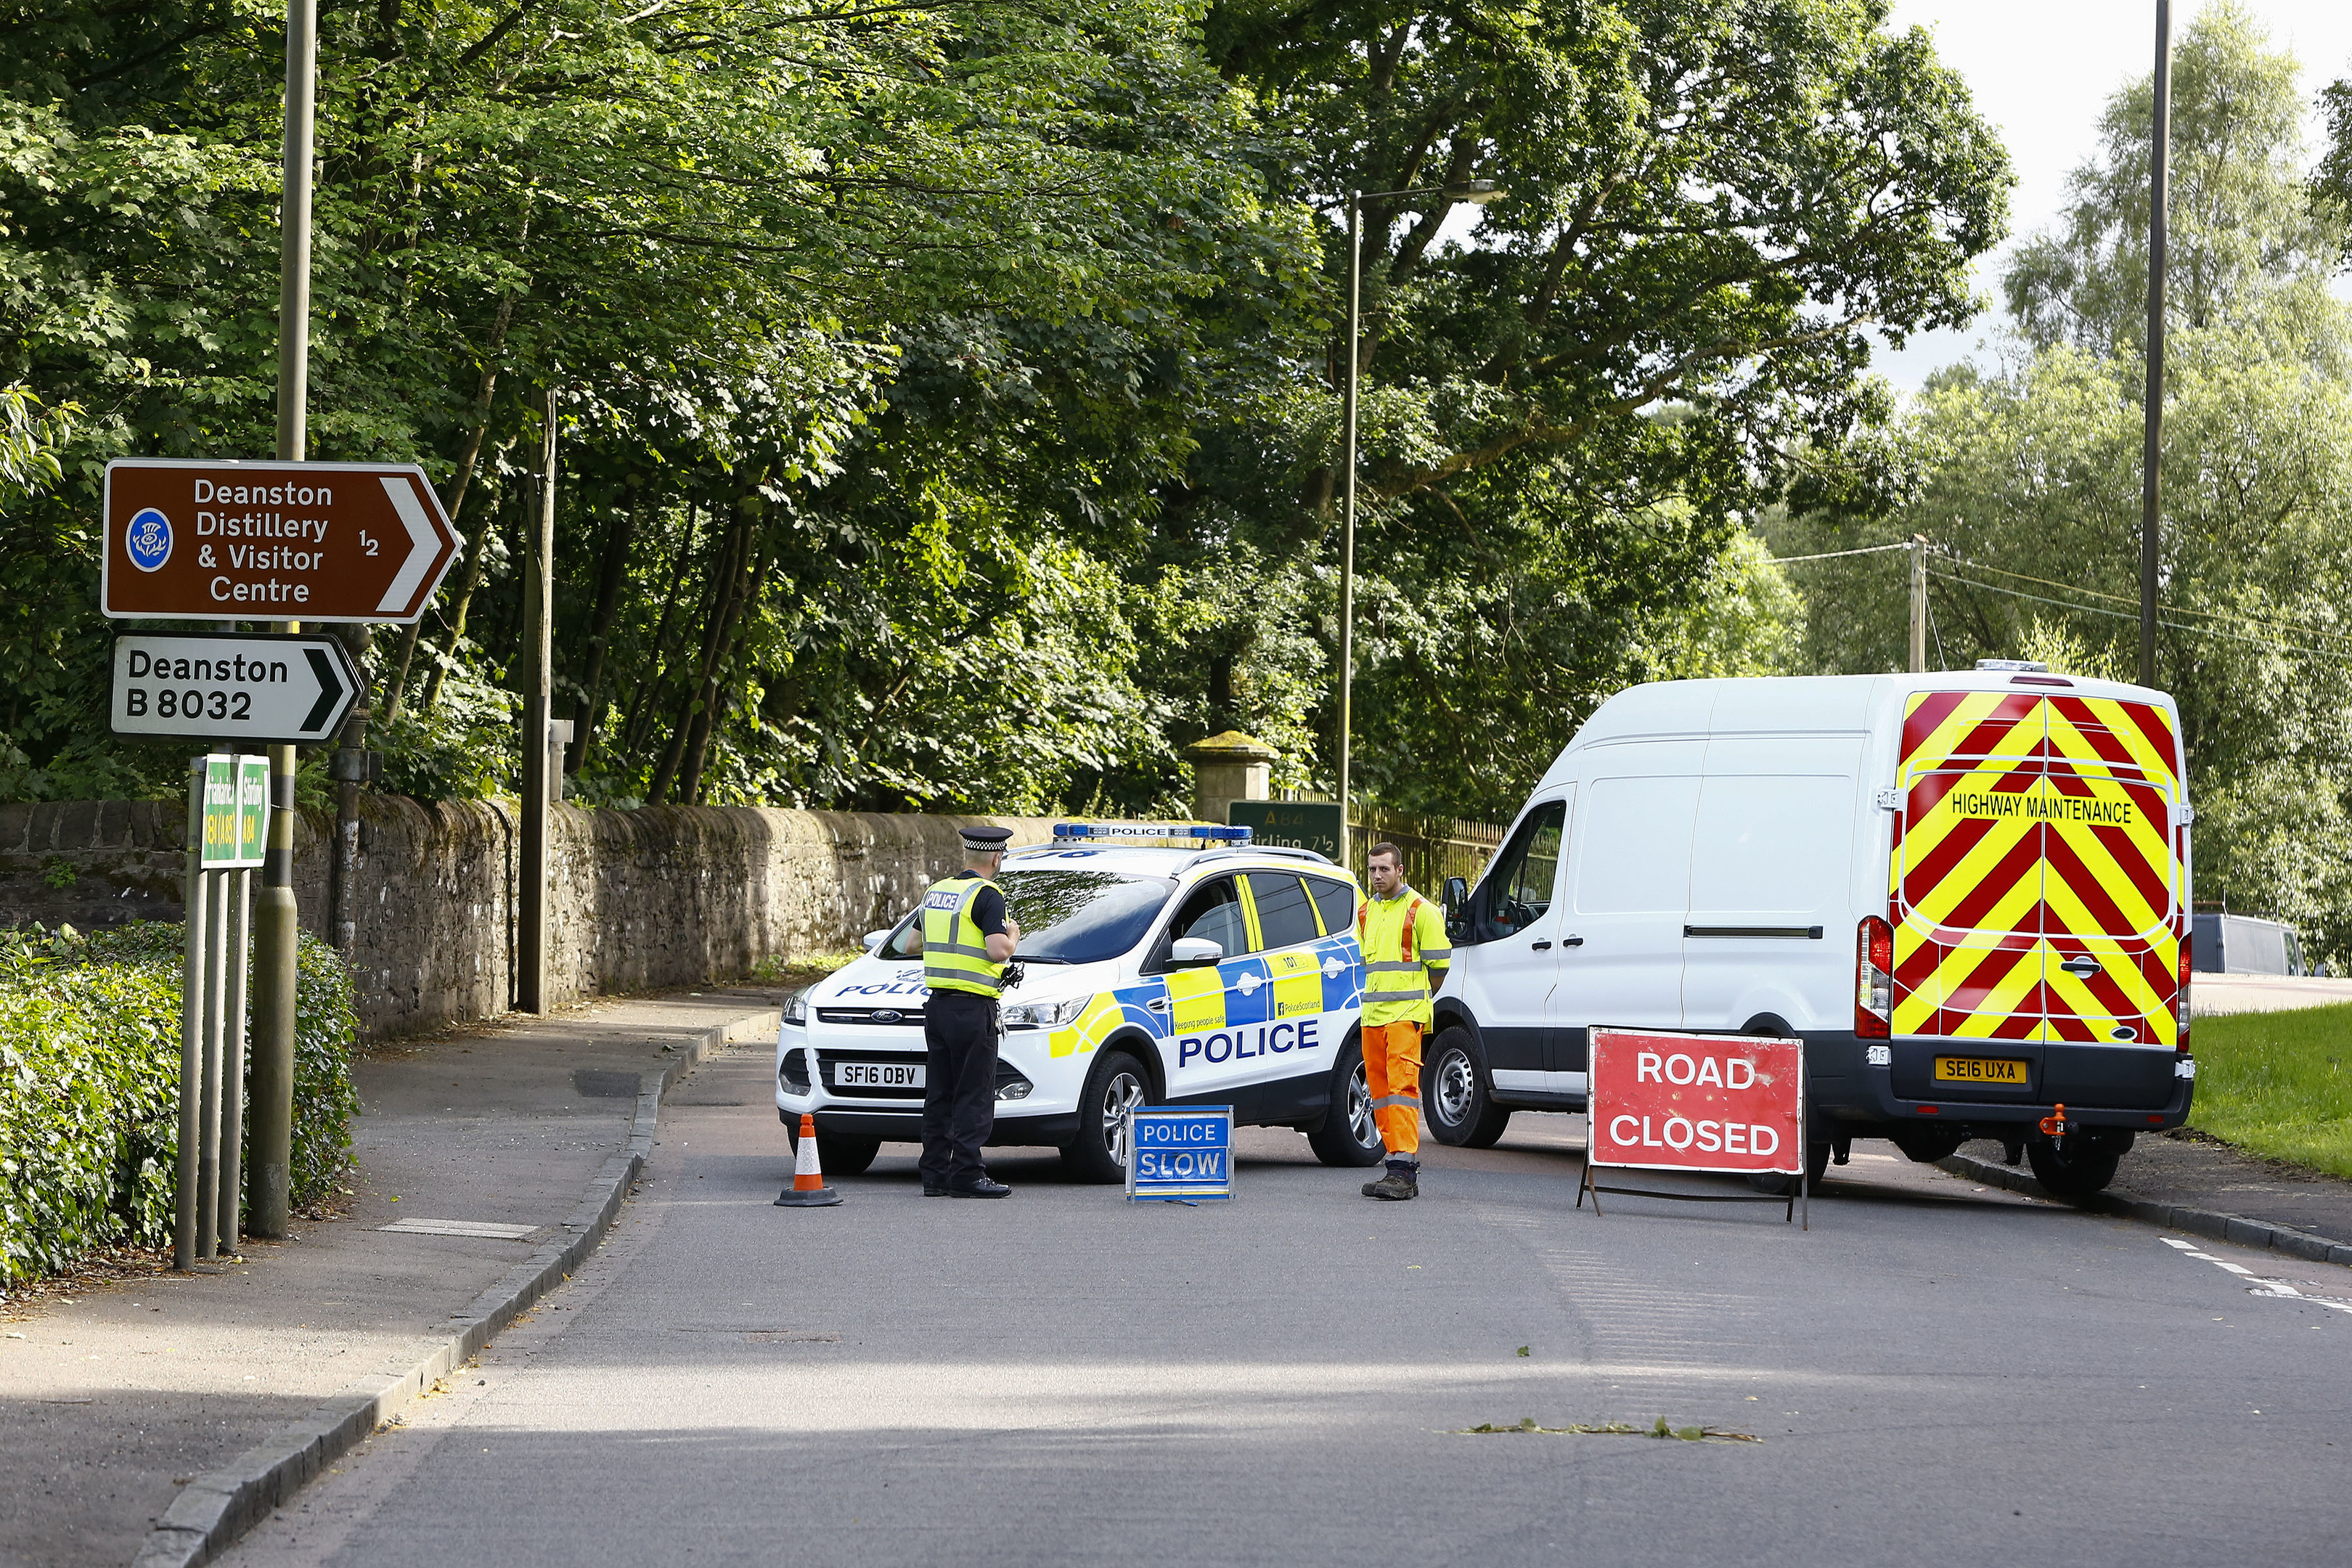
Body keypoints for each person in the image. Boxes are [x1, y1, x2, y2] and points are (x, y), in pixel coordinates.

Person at [905, 825, 1021, 1197]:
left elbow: (911, 944)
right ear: (996, 857)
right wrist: (1014, 934)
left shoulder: (935, 892)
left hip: (937, 1008)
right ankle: (968, 1175)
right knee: (974, 1093)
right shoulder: (988, 895)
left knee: (939, 1092)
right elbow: (998, 951)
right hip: (973, 1010)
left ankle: (934, 1174)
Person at [1355, 841, 1451, 1200]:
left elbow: (1440, 967)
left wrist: (1418, 1000)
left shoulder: (1420, 910)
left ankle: (1404, 1170)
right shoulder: (1366, 913)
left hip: (1406, 1017)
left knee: (1403, 1091)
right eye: (1372, 869)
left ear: (1400, 871)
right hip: (1373, 1017)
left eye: (1384, 869)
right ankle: (1394, 1165)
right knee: (1380, 1094)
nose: (1377, 875)